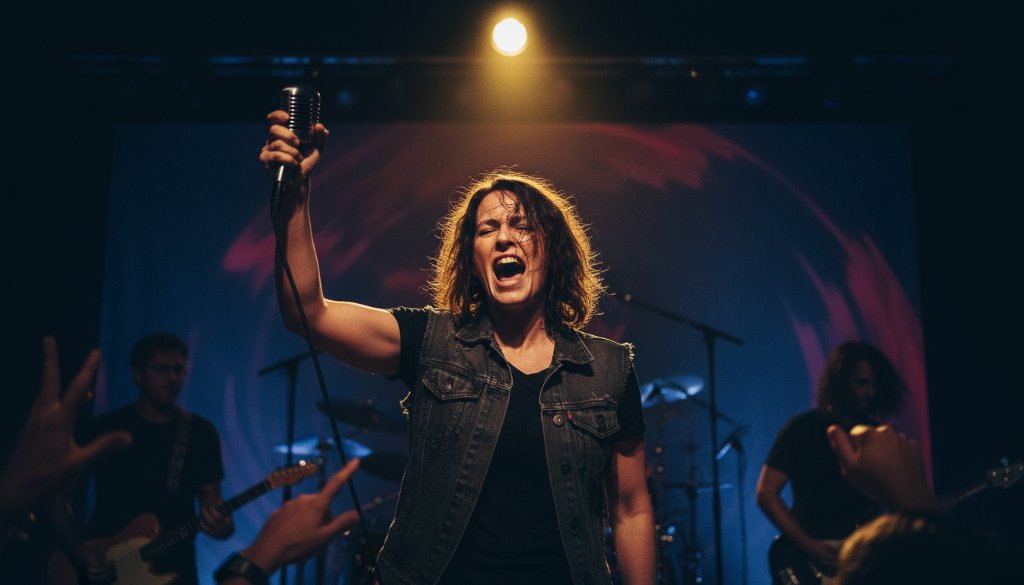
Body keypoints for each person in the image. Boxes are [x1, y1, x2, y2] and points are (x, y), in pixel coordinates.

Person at [259, 111, 657, 585]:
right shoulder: (431, 342)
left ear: (553, 250)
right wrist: (295, 195)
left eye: (521, 225)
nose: (504, 236)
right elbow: (307, 312)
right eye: (487, 229)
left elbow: (631, 508)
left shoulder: (608, 369)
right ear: (472, 257)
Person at [53, 332, 235, 585]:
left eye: (178, 370)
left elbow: (214, 507)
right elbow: (60, 501)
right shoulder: (106, 430)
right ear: (138, 374)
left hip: (175, 569)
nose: (172, 378)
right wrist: (81, 554)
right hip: (108, 568)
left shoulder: (200, 433)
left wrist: (222, 525)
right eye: (162, 369)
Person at [755, 341, 907, 580]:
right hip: (811, 556)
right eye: (862, 383)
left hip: (862, 557)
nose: (870, 392)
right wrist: (809, 546)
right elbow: (766, 493)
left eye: (875, 384)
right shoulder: (803, 428)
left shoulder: (877, 435)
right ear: (841, 382)